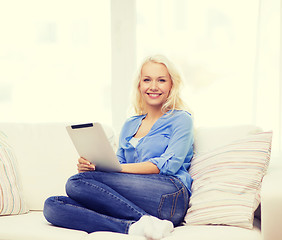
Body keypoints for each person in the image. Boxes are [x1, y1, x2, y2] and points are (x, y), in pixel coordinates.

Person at [43, 55, 194, 240]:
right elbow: (118, 163)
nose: (153, 86)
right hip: (131, 197)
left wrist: (116, 170)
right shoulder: (130, 124)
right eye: (147, 80)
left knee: (76, 183)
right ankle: (134, 227)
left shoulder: (181, 119)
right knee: (53, 205)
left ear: (172, 85)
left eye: (161, 80)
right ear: (139, 85)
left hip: (170, 194)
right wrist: (94, 166)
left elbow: (168, 165)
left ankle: (143, 220)